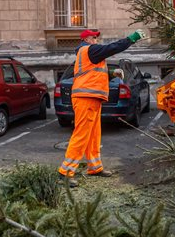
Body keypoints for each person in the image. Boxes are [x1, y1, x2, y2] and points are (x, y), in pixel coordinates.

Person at [58, 28, 146, 187]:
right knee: (82, 135)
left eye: (96, 38)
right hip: (86, 98)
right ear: (86, 39)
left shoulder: (87, 54)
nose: (96, 40)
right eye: (93, 37)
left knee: (93, 134)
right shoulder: (89, 50)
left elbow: (92, 74)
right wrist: (132, 38)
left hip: (91, 98)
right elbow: (113, 47)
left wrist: (113, 73)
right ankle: (65, 172)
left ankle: (94, 167)